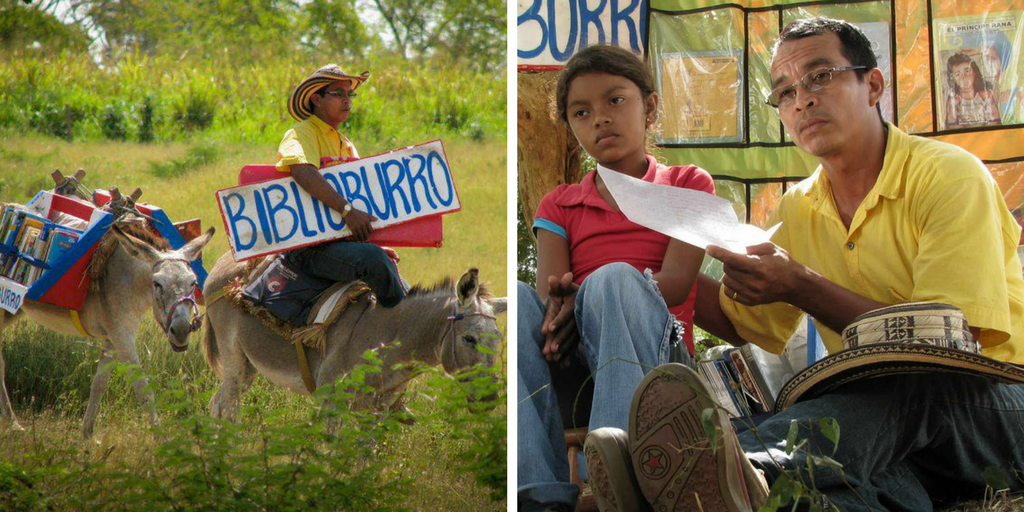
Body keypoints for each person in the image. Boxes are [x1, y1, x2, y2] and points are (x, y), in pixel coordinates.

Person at [584, 17, 1024, 512]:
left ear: (873, 84)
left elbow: (942, 344)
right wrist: (645, 268)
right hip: (896, 437)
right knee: (846, 488)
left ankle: (712, 465)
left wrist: (800, 285)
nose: (803, 100)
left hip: (992, 404)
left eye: (820, 77)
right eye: (786, 92)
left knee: (909, 384)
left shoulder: (947, 175)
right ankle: (723, 485)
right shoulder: (799, 207)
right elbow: (742, 322)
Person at [517, 44, 714, 511]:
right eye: (581, 112)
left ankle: (616, 478)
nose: (600, 118)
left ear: (650, 106)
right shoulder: (560, 204)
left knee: (614, 280)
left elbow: (676, 284)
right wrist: (558, 307)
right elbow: (550, 293)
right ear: (572, 128)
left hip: (661, 351)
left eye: (615, 100)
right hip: (577, 350)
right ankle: (536, 493)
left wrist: (585, 293)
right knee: (523, 301)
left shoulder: (687, 183)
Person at [275, 64, 405, 308]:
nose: (347, 101)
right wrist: (347, 211)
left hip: (341, 243)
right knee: (374, 260)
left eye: (349, 95)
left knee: (388, 265)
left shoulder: (347, 144)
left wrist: (372, 244)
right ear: (316, 99)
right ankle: (401, 326)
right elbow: (302, 170)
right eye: (338, 94)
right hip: (309, 247)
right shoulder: (301, 133)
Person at [945, 51, 1001, 128]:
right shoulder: (955, 100)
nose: (964, 77)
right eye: (958, 74)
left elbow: (994, 117)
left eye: (967, 71)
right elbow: (952, 123)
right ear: (953, 79)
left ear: (975, 72)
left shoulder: (985, 95)